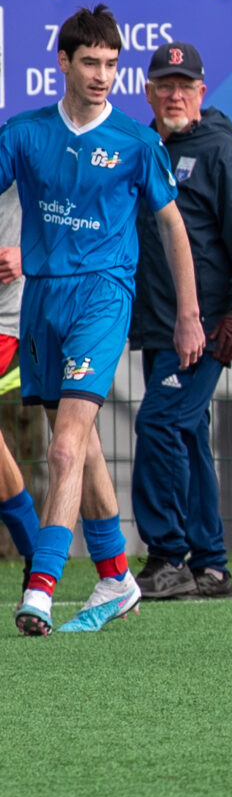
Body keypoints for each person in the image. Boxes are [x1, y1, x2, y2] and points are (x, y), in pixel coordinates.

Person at [0, 4, 205, 636]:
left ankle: (41, 587)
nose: (101, 75)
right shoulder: (24, 134)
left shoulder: (137, 142)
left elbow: (172, 227)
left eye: (111, 64)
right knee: (82, 445)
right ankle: (117, 576)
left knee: (65, 445)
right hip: (42, 302)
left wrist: (189, 315)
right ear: (63, 62)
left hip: (104, 297)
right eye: (90, 62)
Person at [131, 41, 232, 602]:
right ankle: (211, 566)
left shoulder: (222, 153)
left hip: (202, 331)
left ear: (202, 92)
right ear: (148, 92)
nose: (175, 95)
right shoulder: (141, 149)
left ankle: (168, 557)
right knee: (188, 436)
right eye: (165, 86)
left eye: (185, 86)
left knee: (159, 425)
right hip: (156, 329)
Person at [0, 184, 45, 598]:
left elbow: (70, 206)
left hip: (7, 318)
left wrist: (28, 254)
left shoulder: (22, 153)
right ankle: (36, 552)